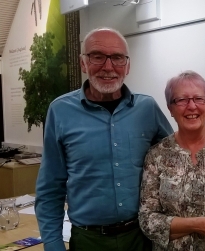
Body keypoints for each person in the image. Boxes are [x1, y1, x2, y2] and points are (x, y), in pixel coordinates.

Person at [35, 27, 173, 251]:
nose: (108, 67)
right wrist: (53, 244)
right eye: (97, 56)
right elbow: (51, 187)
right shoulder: (60, 111)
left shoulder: (147, 109)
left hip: (141, 237)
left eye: (117, 58)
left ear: (127, 66)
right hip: (89, 241)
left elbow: (179, 156)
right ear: (83, 63)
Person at [139, 71, 205, 251]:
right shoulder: (156, 155)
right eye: (181, 100)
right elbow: (147, 220)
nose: (192, 106)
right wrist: (193, 225)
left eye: (199, 99)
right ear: (170, 108)